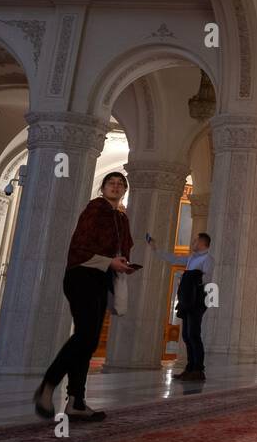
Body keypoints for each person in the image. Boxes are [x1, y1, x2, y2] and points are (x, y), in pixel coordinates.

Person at [33, 172, 135, 421]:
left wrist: (121, 262)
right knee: (84, 337)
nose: (116, 186)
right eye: (111, 182)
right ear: (102, 188)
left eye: (121, 184)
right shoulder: (95, 209)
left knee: (88, 341)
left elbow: (121, 247)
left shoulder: (120, 218)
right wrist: (110, 261)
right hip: (82, 276)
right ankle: (47, 385)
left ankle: (76, 401)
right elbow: (80, 246)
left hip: (101, 279)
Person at [145, 232, 213, 380]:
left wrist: (189, 279)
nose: (193, 242)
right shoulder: (191, 258)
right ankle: (189, 368)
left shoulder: (207, 259)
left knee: (194, 334)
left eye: (195, 240)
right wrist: (155, 249)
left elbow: (207, 279)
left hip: (197, 301)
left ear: (202, 243)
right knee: (186, 335)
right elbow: (174, 258)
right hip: (187, 300)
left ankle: (198, 370)